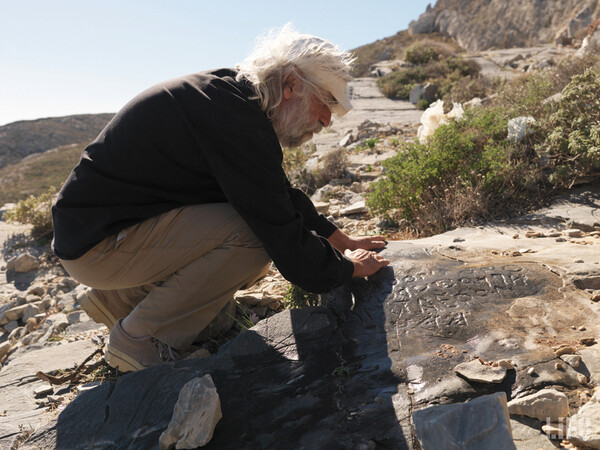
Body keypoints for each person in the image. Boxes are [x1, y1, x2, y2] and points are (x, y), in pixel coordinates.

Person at [52, 25, 390, 373]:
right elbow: (279, 232)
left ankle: (123, 299)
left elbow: (272, 192)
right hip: (100, 247)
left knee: (220, 305)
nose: (326, 120)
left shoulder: (231, 99)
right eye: (325, 102)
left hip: (95, 236)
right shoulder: (234, 118)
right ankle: (140, 340)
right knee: (253, 237)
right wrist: (348, 268)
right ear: (291, 85)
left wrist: (338, 239)